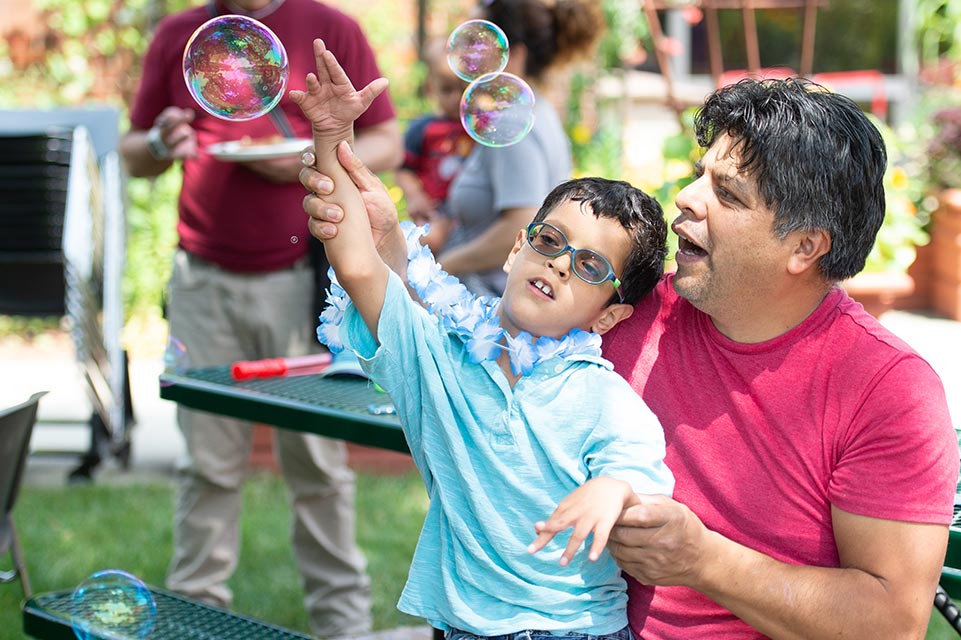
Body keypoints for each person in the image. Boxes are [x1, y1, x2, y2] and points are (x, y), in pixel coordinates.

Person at [298, 77, 960, 638]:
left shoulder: (885, 388)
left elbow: (891, 620)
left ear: (804, 247)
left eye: (726, 195)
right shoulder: (620, 310)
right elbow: (453, 329)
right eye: (699, 175)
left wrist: (701, 561)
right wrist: (383, 235)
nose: (687, 199)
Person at [289, 41, 674, 637]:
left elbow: (646, 476)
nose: (562, 263)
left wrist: (614, 488)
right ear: (519, 245)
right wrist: (332, 136)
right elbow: (358, 262)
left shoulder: (603, 397)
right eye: (550, 241)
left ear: (608, 318)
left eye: (592, 267)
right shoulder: (435, 359)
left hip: (578, 631)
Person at [119, 1, 402, 636]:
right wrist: (162, 141)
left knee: (318, 463)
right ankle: (195, 617)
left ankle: (344, 626)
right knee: (207, 463)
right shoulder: (179, 35)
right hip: (202, 279)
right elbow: (134, 151)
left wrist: (315, 149)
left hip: (303, 281)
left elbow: (386, 137)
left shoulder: (335, 29)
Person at [434, 0, 604, 297]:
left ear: (513, 56)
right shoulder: (538, 111)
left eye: (479, 46)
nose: (470, 56)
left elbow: (521, 224)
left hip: (485, 301)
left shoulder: (513, 123)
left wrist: (441, 266)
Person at [395, 37, 473, 253]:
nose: (457, 98)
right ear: (431, 88)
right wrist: (416, 197)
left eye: (464, 89)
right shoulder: (424, 128)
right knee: (431, 242)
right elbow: (404, 169)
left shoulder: (479, 127)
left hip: (470, 211)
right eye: (447, 90)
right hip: (435, 209)